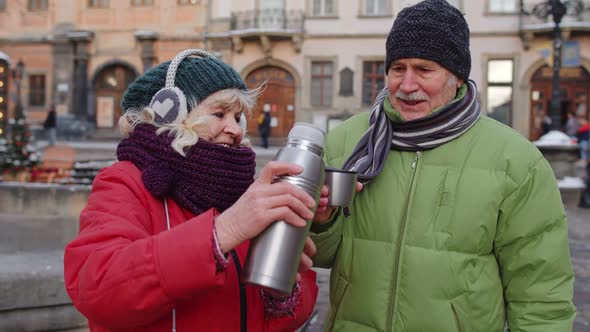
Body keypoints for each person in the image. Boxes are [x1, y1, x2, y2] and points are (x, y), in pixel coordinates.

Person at [310, 1, 575, 331]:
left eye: (424, 70)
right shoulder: (348, 142)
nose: (407, 85)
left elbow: (540, 294)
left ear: (457, 77)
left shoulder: (517, 162)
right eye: (397, 68)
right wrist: (322, 221)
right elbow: (318, 256)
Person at [64, 49, 318, 331]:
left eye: (238, 117)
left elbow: (287, 320)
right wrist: (224, 232)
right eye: (219, 113)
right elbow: (98, 290)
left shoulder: (243, 191)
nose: (234, 129)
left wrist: (280, 289)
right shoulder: (125, 181)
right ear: (169, 113)